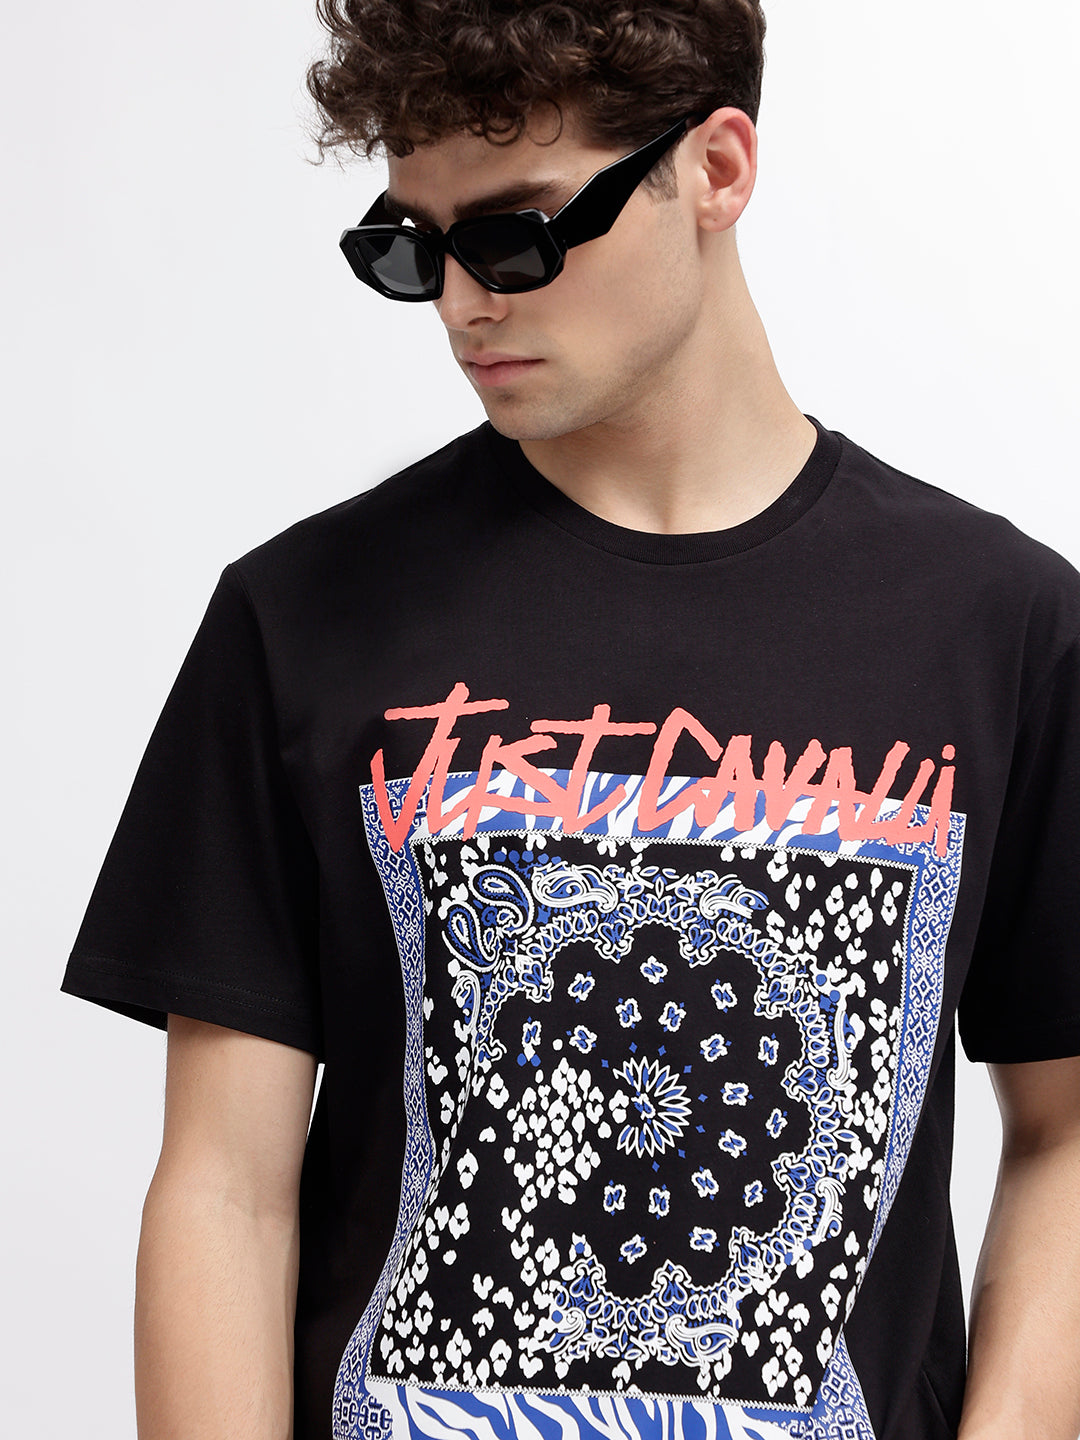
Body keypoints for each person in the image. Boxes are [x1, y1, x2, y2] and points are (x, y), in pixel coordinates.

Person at [60, 3, 1080, 1438]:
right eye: (410, 247)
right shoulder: (304, 617)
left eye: (518, 235)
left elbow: (1066, 1132)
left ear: (715, 169)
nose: (461, 304)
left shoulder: (1001, 625)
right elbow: (226, 1187)